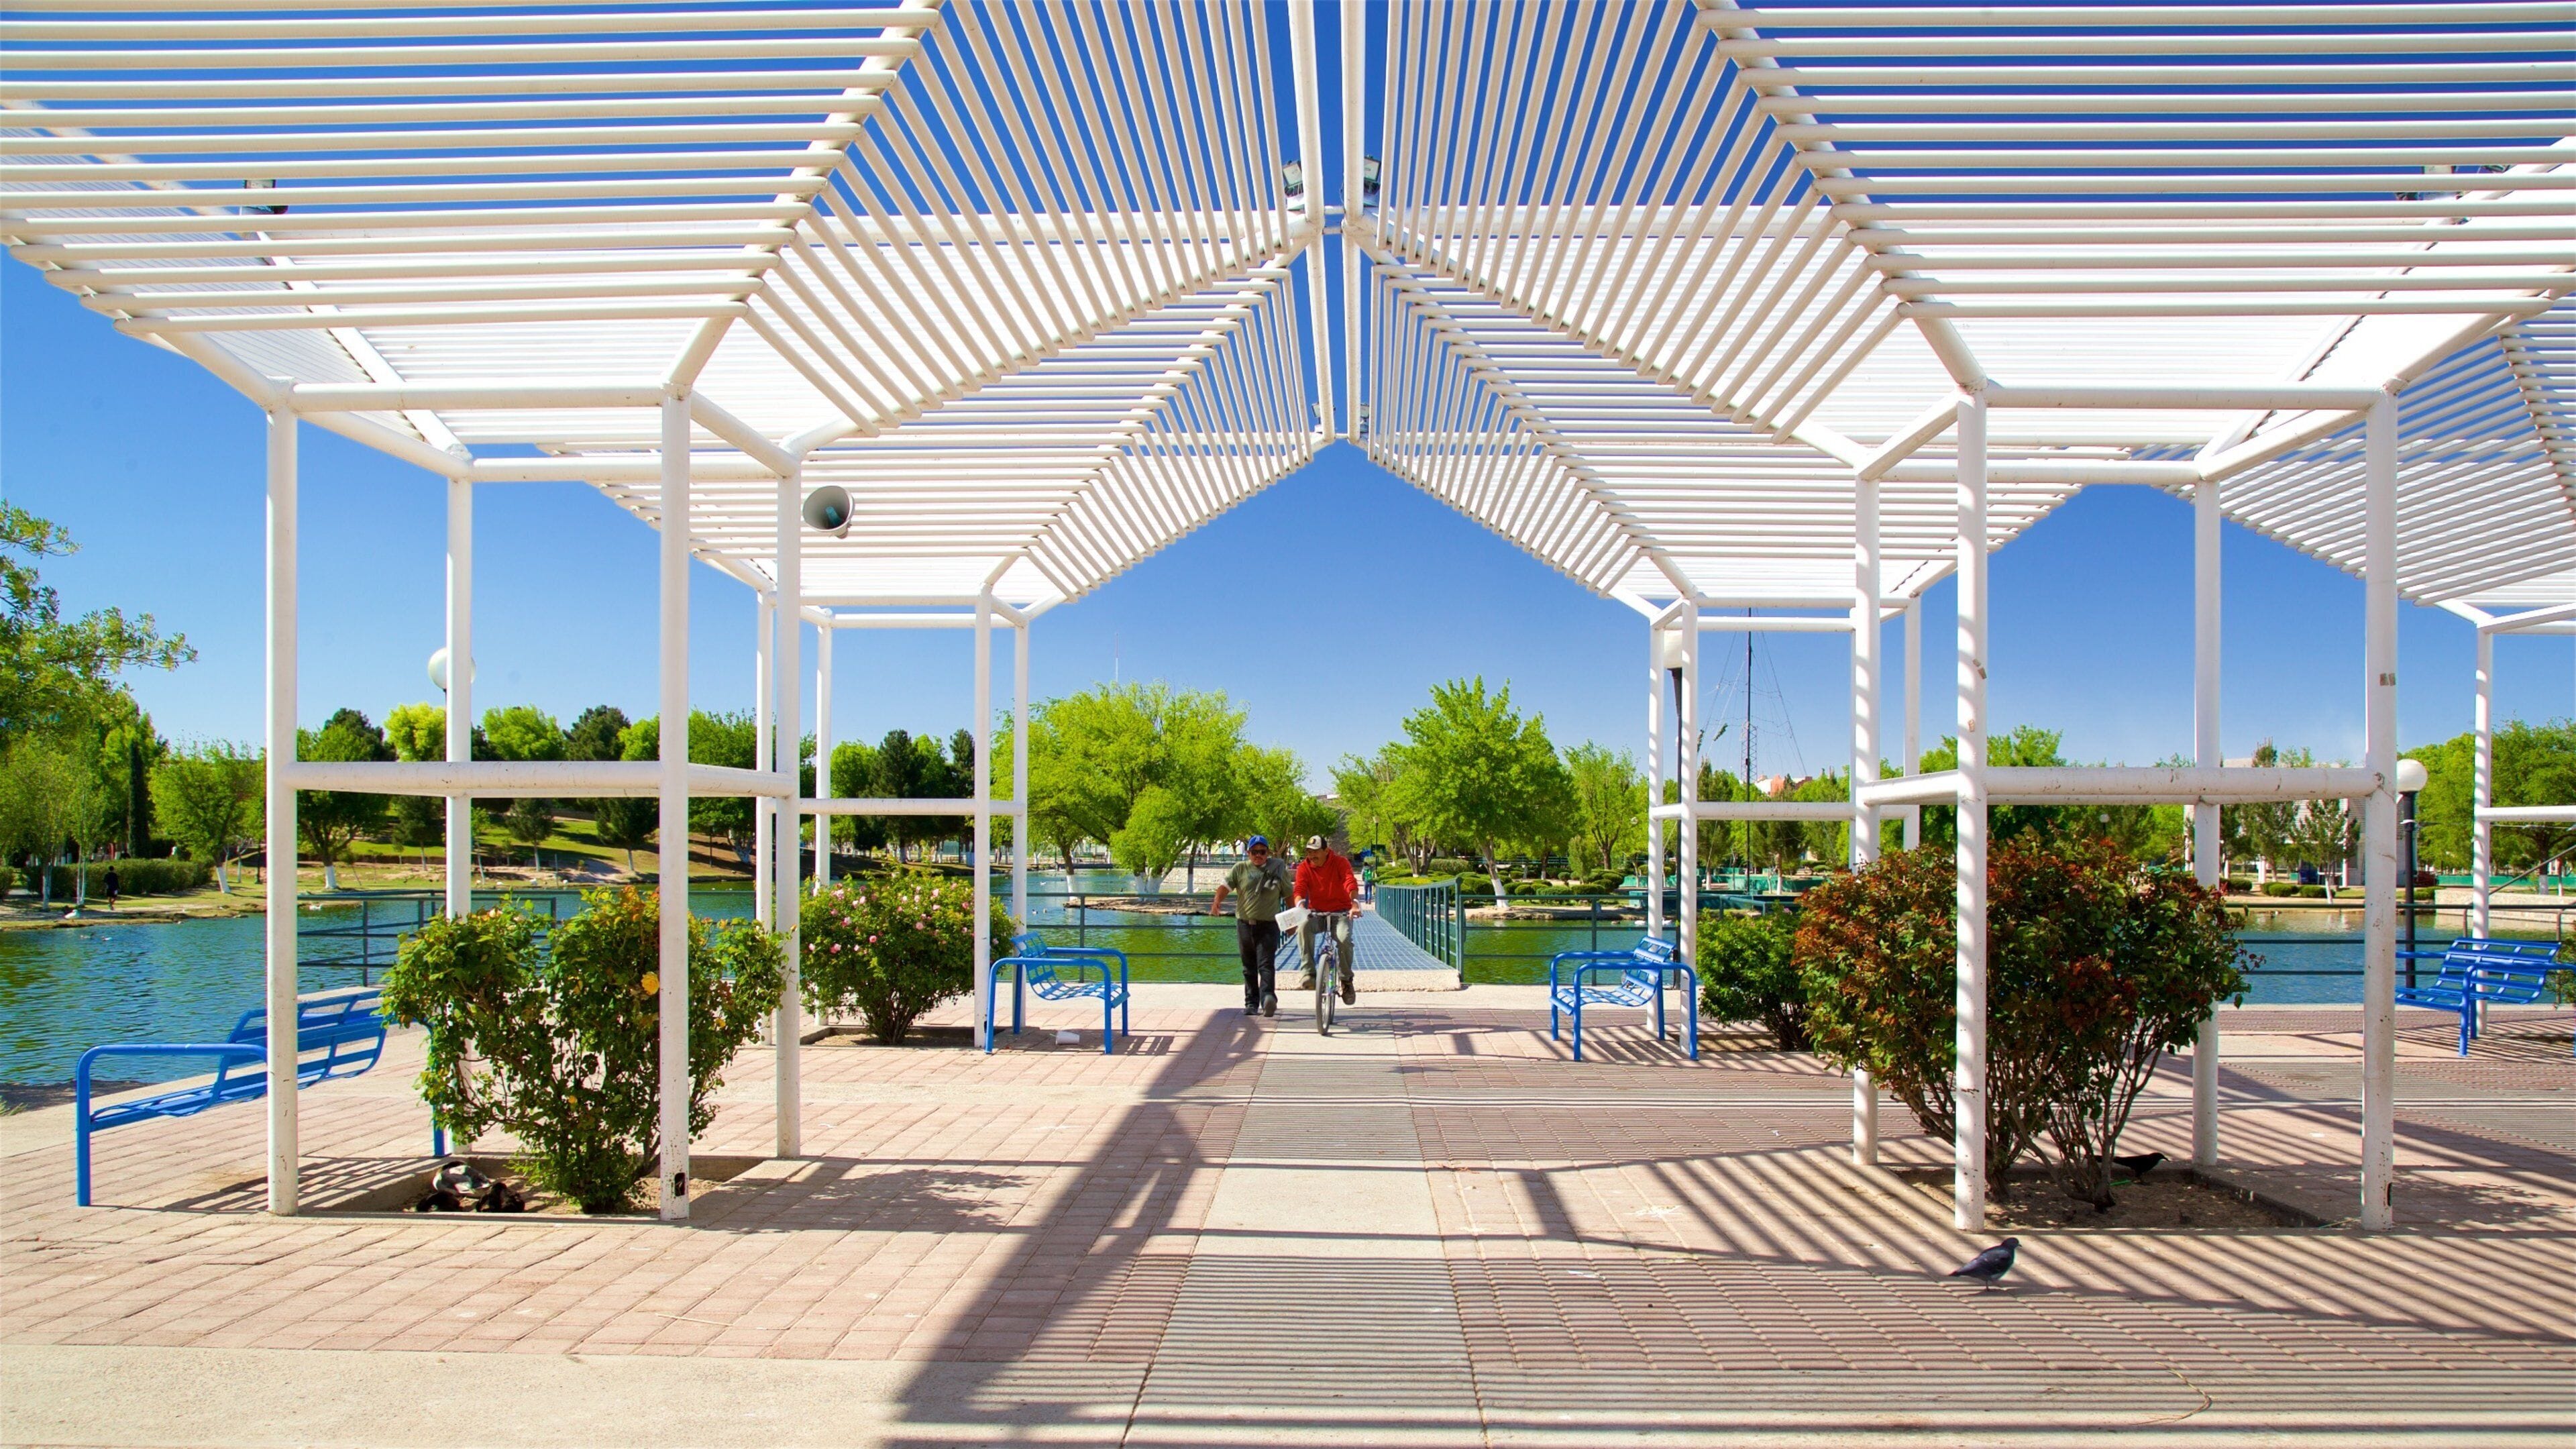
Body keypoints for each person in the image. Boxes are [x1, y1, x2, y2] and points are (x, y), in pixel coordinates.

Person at [1211, 834, 1291, 1016]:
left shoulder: (1278, 868)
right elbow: (1225, 887)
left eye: (1262, 852)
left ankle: (1268, 998)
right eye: (1255, 852)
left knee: (1266, 964)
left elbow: (1288, 895)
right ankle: (1251, 1003)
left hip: (1269, 925)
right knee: (1248, 967)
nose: (1258, 856)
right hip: (1245, 924)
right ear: (1248, 853)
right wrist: (1217, 902)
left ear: (1268, 853)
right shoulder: (1240, 869)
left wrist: (1292, 921)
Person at [1293, 834, 1360, 1004]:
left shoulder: (1340, 863)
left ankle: (1346, 980)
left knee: (1344, 939)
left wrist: (1354, 903)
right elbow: (1299, 889)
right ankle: (1308, 973)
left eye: (1316, 852)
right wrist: (1300, 905)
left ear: (1326, 851)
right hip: (1318, 912)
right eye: (1309, 852)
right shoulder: (1304, 867)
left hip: (1341, 912)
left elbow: (1349, 881)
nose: (1312, 856)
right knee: (1303, 927)